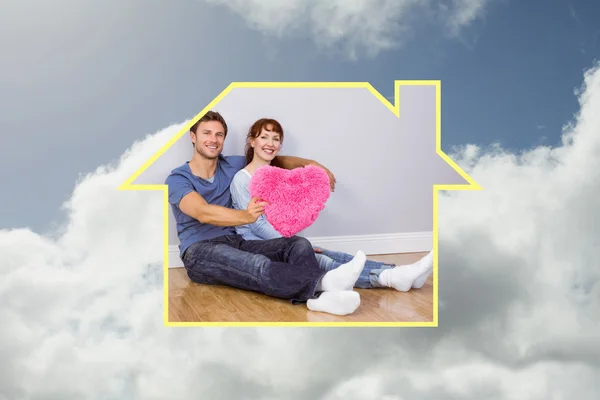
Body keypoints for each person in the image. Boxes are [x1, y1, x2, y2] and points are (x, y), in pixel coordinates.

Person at [165, 110, 369, 316]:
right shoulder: (177, 179)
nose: (213, 139)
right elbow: (203, 212)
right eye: (206, 133)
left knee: (297, 244)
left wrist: (315, 165)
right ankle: (325, 282)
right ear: (193, 137)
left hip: (237, 241)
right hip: (199, 251)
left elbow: (279, 160)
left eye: (219, 135)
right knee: (257, 265)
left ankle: (319, 299)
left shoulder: (230, 164)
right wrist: (246, 216)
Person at [229, 118, 434, 292]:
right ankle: (387, 278)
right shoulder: (242, 179)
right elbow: (257, 225)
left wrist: (297, 238)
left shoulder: (282, 178)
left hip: (282, 239)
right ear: (252, 141)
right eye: (264, 137)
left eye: (276, 139)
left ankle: (398, 270)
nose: (270, 143)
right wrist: (294, 243)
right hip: (255, 244)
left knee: (334, 254)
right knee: (324, 262)